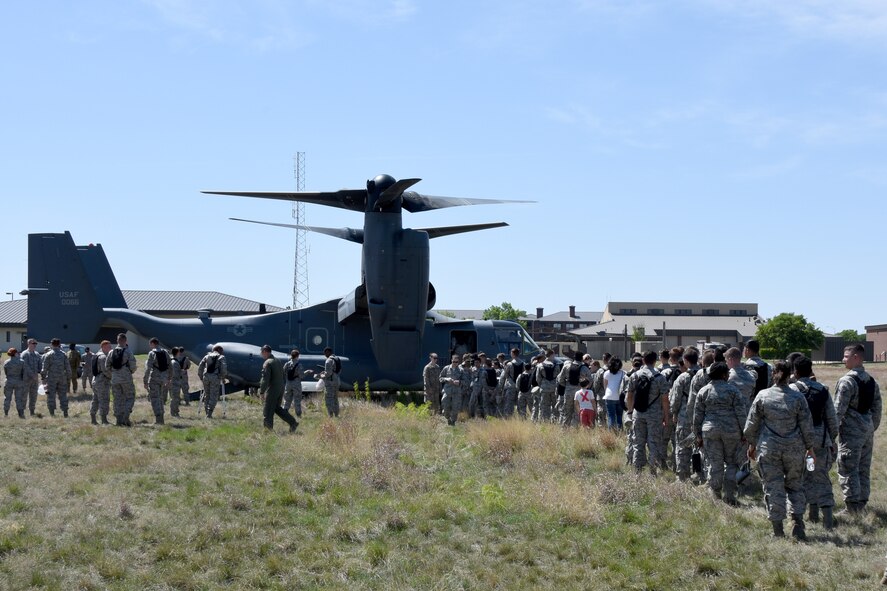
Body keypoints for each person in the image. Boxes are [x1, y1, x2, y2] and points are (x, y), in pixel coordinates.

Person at [744, 361, 815, 539]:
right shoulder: (798, 397)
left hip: (770, 449)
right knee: (795, 486)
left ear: (773, 373)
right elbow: (807, 425)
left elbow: (751, 425)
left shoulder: (763, 395)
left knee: (773, 487)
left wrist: (752, 445)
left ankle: (778, 530)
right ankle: (797, 522)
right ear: (790, 374)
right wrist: (810, 448)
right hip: (794, 449)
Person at [790, 355, 838, 529]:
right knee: (820, 477)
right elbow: (832, 419)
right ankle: (827, 520)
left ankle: (806, 516)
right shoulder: (823, 389)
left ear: (795, 372)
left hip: (799, 443)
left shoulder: (791, 390)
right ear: (811, 370)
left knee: (801, 478)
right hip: (819, 442)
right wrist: (831, 440)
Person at [834, 343, 882, 515]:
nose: (843, 360)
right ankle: (861, 503)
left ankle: (852, 507)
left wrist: (831, 434)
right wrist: (870, 427)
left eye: (846, 356)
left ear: (856, 358)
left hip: (851, 432)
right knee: (863, 467)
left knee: (848, 467)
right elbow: (877, 408)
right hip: (867, 431)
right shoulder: (871, 381)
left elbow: (838, 411)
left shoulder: (847, 381)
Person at [693, 362, 746, 505]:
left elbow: (697, 415)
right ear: (723, 375)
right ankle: (729, 496)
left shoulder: (703, 391)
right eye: (727, 373)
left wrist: (697, 434)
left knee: (715, 464)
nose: (729, 375)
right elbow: (741, 414)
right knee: (731, 463)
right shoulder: (733, 391)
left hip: (710, 431)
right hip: (731, 431)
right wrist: (745, 433)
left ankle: (715, 494)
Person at [625, 351, 670, 474]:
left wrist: (630, 412)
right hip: (655, 415)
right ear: (656, 361)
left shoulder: (635, 375)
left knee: (638, 443)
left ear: (643, 360)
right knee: (653, 443)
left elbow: (629, 395)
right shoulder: (660, 378)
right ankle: (652, 470)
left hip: (638, 413)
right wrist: (666, 417)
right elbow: (665, 400)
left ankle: (638, 471)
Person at [669, 349, 701, 481]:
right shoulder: (704, 375)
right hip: (701, 417)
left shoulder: (682, 378)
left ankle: (682, 476)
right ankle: (699, 473)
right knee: (698, 447)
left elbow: (675, 400)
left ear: (686, 361)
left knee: (683, 446)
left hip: (685, 417)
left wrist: (674, 413)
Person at [259, 345, 298, 432]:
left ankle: (268, 431)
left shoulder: (268, 363)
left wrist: (262, 392)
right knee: (276, 408)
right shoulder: (277, 361)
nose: (261, 354)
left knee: (268, 410)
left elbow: (265, 379)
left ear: (265, 352)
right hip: (280, 388)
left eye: (261, 352)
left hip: (273, 389)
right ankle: (293, 422)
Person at [558, 351, 594, 428]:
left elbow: (560, 379)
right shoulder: (584, 368)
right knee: (578, 412)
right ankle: (575, 429)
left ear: (574, 357)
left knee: (567, 412)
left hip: (568, 392)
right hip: (580, 393)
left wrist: (567, 386)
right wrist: (586, 388)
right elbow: (590, 380)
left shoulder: (566, 366)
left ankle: (564, 429)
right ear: (582, 359)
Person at [109, 333, 137, 426]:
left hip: (114, 379)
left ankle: (118, 420)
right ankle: (125, 415)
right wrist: (129, 372)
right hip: (126, 379)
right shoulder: (128, 352)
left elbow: (106, 366)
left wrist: (113, 374)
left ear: (117, 341)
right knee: (130, 397)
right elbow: (133, 366)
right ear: (126, 341)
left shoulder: (111, 352)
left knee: (117, 399)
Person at [144, 337, 172, 424]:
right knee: (160, 398)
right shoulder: (165, 352)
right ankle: (161, 418)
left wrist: (145, 381)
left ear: (153, 343)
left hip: (154, 379)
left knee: (155, 398)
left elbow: (148, 368)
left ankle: (159, 419)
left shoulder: (152, 353)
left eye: (150, 344)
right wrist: (169, 378)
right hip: (163, 379)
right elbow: (170, 366)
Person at [41, 338, 71, 417]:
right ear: (59, 344)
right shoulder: (64, 354)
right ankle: (65, 412)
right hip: (62, 378)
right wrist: (68, 378)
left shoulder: (48, 354)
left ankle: (52, 413)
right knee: (63, 395)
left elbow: (44, 368)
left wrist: (43, 377)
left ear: (51, 344)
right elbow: (68, 367)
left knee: (51, 395)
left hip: (51, 378)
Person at [197, 345, 227, 419]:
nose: (223, 352)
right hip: (215, 377)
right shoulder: (221, 357)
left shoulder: (207, 356)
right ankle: (209, 414)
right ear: (219, 350)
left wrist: (201, 377)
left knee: (207, 395)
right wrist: (223, 377)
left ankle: (207, 412)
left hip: (206, 377)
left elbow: (200, 366)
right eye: (222, 350)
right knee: (214, 395)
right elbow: (223, 368)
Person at [439, 354, 466, 426]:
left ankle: (453, 422)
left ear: (458, 362)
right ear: (451, 360)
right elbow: (440, 378)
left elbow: (466, 381)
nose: (455, 363)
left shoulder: (461, 370)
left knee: (455, 408)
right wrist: (446, 379)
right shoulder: (446, 368)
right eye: (454, 361)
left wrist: (459, 382)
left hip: (456, 391)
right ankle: (447, 417)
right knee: (445, 405)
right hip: (447, 391)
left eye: (456, 362)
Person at [90, 340, 112, 425]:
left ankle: (93, 418)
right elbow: (106, 370)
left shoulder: (96, 355)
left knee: (95, 400)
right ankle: (104, 419)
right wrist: (112, 377)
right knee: (104, 400)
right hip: (102, 381)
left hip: (95, 380)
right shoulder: (103, 357)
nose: (110, 348)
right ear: (103, 346)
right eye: (109, 347)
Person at [535, 350, 559, 422]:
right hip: (554, 388)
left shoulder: (540, 365)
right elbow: (559, 378)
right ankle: (555, 421)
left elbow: (538, 378)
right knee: (555, 406)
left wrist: (542, 385)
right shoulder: (557, 365)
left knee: (544, 406)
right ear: (552, 355)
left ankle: (545, 421)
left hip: (544, 388)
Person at [20, 339, 42, 416]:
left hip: (35, 379)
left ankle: (32, 411)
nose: (35, 345)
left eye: (36, 343)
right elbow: (25, 366)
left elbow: (40, 364)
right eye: (33, 343)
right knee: (24, 396)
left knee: (33, 396)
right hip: (26, 379)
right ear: (28, 344)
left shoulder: (37, 354)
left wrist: (40, 373)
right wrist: (32, 375)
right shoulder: (25, 354)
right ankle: (21, 412)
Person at [602, 357, 625, 430]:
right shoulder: (623, 373)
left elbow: (605, 386)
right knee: (619, 415)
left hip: (609, 396)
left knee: (611, 415)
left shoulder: (606, 373)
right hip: (619, 396)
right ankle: (620, 430)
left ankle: (611, 432)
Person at [283, 349, 307, 417]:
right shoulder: (299, 365)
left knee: (287, 400)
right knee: (297, 400)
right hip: (296, 384)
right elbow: (302, 375)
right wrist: (307, 372)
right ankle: (298, 415)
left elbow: (284, 372)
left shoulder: (287, 364)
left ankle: (284, 414)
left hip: (288, 384)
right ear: (297, 356)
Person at [3, 348, 26, 418]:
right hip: (19, 381)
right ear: (15, 353)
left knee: (7, 398)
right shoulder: (22, 362)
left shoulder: (7, 362)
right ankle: (21, 414)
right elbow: (24, 373)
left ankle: (6, 414)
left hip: (9, 381)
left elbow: (6, 372)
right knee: (19, 399)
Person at [503, 348, 525, 418]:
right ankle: (522, 418)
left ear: (512, 354)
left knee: (509, 404)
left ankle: (508, 418)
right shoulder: (523, 363)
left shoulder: (509, 364)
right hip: (520, 386)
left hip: (511, 386)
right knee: (520, 404)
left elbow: (506, 375)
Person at [320, 347, 342, 417]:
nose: (325, 355)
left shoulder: (328, 360)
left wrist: (321, 376)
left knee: (329, 398)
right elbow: (338, 370)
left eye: (325, 353)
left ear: (328, 352)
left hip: (330, 382)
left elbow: (328, 373)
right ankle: (336, 414)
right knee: (335, 398)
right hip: (337, 381)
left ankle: (330, 415)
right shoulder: (337, 359)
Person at [168, 347, 183, 416]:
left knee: (175, 398)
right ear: (177, 353)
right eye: (179, 352)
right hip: (174, 383)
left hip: (175, 382)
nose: (180, 354)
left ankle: (175, 411)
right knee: (175, 398)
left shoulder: (173, 361)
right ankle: (174, 412)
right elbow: (174, 374)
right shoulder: (174, 362)